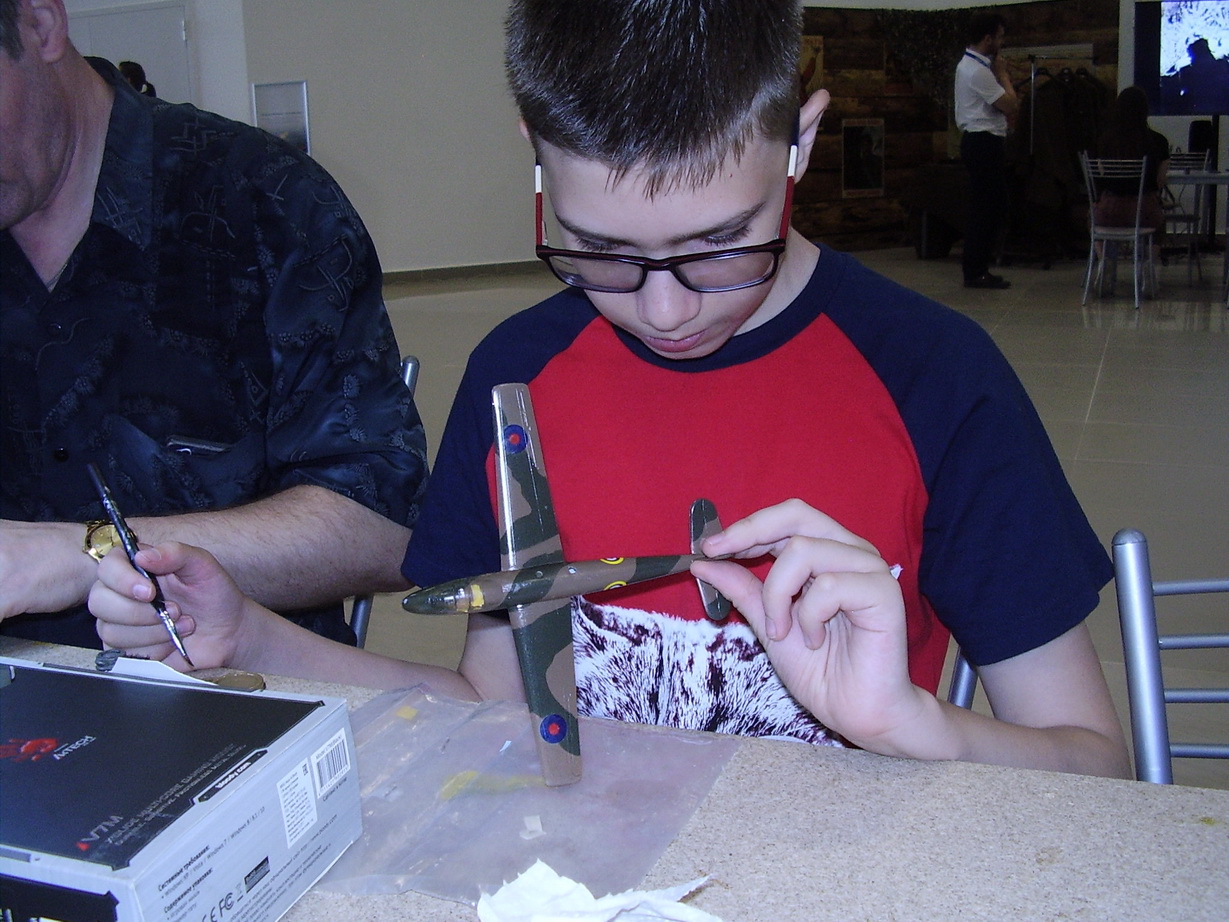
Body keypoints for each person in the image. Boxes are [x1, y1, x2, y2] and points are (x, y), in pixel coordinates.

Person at [91, 0, 1130, 779]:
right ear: (536, 160)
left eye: (720, 245)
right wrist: (253, 639)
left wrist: (910, 724)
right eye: (598, 250)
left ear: (801, 143)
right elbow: (495, 708)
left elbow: (1093, 764)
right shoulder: (517, 380)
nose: (664, 311)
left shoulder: (934, 377)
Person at [0, 0, 427, 648]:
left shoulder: (264, 202)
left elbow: (382, 527)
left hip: (238, 690)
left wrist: (84, 554)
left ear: (39, 23)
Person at [953, 11, 1017, 290]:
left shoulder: (971, 65)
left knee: (990, 205)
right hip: (983, 141)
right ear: (988, 39)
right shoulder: (977, 71)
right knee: (986, 207)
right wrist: (1003, 75)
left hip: (982, 141)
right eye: (1000, 37)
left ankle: (978, 267)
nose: (1002, 43)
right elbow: (1010, 105)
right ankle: (976, 270)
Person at [1090, 86, 1170, 248]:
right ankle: (1149, 262)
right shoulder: (1158, 141)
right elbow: (1160, 181)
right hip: (1144, 211)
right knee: (1159, 224)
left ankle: (1103, 259)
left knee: (1092, 217)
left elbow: (1101, 175)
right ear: (1145, 110)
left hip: (1108, 211)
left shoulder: (1104, 141)